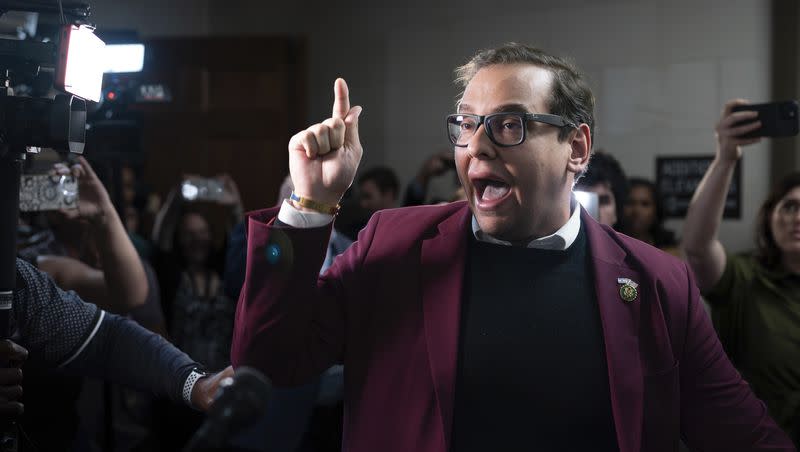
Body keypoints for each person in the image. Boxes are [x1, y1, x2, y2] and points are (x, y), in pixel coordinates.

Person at [232, 44, 794, 451]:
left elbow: (740, 432)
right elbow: (268, 360)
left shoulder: (654, 282)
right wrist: (307, 207)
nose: (475, 146)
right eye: (467, 125)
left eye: (507, 126)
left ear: (576, 146)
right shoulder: (394, 246)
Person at [682, 99, 800, 446]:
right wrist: (725, 159)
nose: (797, 217)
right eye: (789, 206)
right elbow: (698, 248)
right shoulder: (745, 278)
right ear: (769, 217)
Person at [623, 177, 680, 256]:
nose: (636, 211)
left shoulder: (670, 250)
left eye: (645, 204)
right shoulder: (608, 245)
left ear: (656, 209)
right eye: (630, 203)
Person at [574, 150, 628, 229]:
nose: (597, 211)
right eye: (589, 202)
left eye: (603, 201)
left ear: (616, 212)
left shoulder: (624, 242)